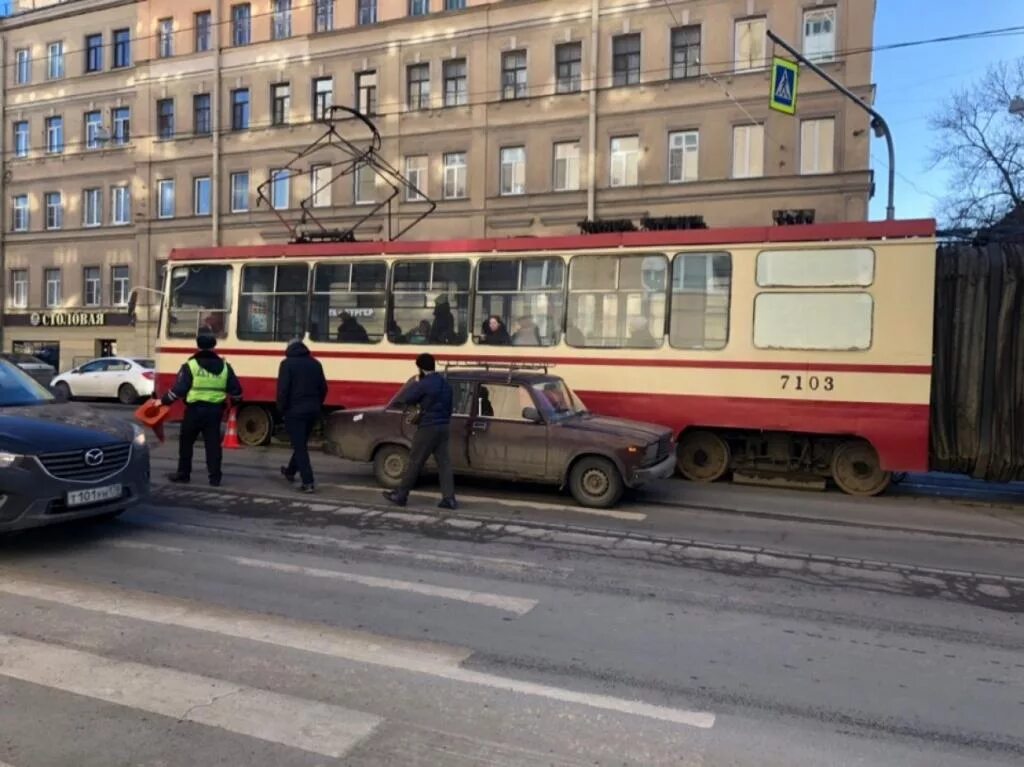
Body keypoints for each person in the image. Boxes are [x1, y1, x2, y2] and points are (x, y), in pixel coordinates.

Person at [160, 332, 242, 487]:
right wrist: (234, 403)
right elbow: (237, 391)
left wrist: (165, 401)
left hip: (194, 411)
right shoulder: (225, 366)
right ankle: (215, 478)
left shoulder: (191, 365)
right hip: (215, 412)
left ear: (198, 346)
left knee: (186, 443)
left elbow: (180, 389)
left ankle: (184, 474)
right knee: (213, 445)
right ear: (214, 346)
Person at [383, 353, 457, 510]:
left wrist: (416, 382)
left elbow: (407, 398)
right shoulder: (445, 384)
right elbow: (450, 408)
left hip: (428, 427)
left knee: (415, 461)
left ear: (421, 368)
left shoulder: (424, 384)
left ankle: (401, 495)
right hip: (444, 427)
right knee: (444, 463)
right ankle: (449, 499)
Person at [277, 338, 328, 493]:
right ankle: (290, 471)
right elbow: (324, 388)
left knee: (300, 447)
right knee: (300, 444)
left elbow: (283, 390)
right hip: (312, 410)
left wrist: (281, 409)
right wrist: (317, 404)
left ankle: (308, 482)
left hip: (295, 411)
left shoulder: (287, 364)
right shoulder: (315, 363)